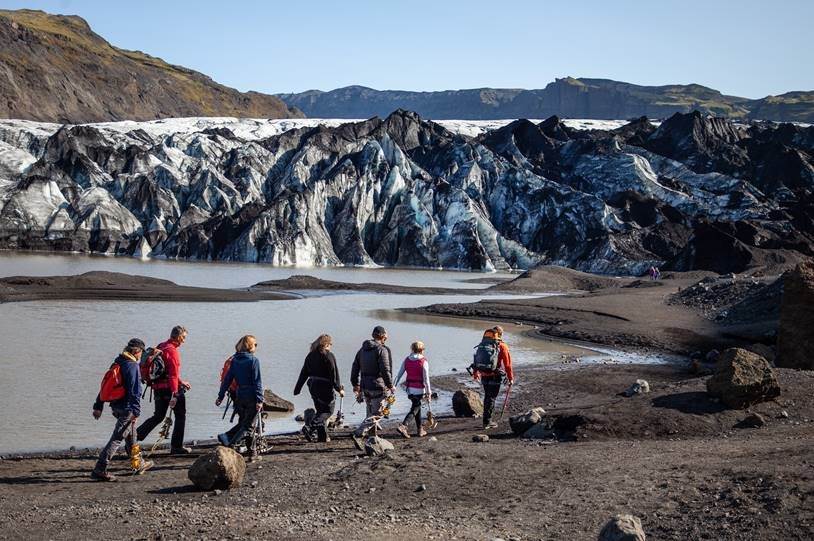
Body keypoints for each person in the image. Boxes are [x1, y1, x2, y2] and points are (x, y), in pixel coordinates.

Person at [91, 338, 153, 481]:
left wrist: (98, 405)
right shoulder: (132, 366)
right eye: (141, 353)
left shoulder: (118, 362)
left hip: (116, 407)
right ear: (136, 351)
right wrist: (136, 412)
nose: (140, 356)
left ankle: (138, 464)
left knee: (131, 435)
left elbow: (105, 385)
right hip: (127, 409)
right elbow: (135, 392)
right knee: (117, 438)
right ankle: (100, 469)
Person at [136, 326, 192, 454]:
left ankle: (134, 439)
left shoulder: (161, 346)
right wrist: (175, 394)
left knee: (158, 416)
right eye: (183, 338)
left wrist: (181, 381)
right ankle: (176, 447)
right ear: (178, 337)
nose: (184, 341)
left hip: (157, 387)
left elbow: (164, 371)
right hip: (169, 389)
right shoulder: (173, 351)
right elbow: (172, 375)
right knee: (180, 416)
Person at [216, 335, 264, 458]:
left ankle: (248, 449)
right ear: (250, 346)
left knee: (244, 422)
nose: (256, 347)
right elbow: (257, 382)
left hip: (239, 395)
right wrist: (259, 399)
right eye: (255, 344)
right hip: (251, 395)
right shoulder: (254, 361)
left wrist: (220, 396)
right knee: (248, 425)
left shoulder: (235, 360)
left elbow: (227, 379)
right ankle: (231, 444)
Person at [350, 325, 394, 450]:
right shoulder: (382, 350)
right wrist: (390, 385)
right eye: (386, 334)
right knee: (378, 413)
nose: (387, 337)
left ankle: (372, 439)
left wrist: (356, 384)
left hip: (365, 386)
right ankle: (359, 433)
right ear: (382, 335)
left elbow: (355, 367)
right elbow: (385, 370)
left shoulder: (362, 350)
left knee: (370, 412)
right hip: (378, 386)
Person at [293, 334, 344, 443]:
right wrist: (339, 389)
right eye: (330, 344)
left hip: (312, 386)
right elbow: (334, 374)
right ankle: (310, 427)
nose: (331, 346)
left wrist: (297, 389)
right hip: (324, 386)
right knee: (328, 411)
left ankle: (322, 437)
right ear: (326, 344)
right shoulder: (329, 355)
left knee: (320, 411)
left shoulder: (310, 356)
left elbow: (304, 373)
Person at [472, 326, 514, 430]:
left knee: (488, 396)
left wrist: (475, 372)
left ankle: (486, 420)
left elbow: (477, 358)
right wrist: (510, 378)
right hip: (495, 376)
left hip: (484, 374)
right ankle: (487, 422)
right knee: (491, 398)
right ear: (501, 334)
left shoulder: (484, 344)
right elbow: (508, 364)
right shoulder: (502, 346)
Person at [393, 341, 432, 438]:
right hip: (419, 390)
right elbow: (426, 379)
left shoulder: (407, 360)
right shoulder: (423, 361)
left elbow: (399, 375)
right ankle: (404, 425)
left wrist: (393, 386)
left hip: (409, 389)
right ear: (421, 350)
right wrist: (429, 393)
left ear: (412, 349)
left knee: (416, 407)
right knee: (415, 408)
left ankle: (420, 430)